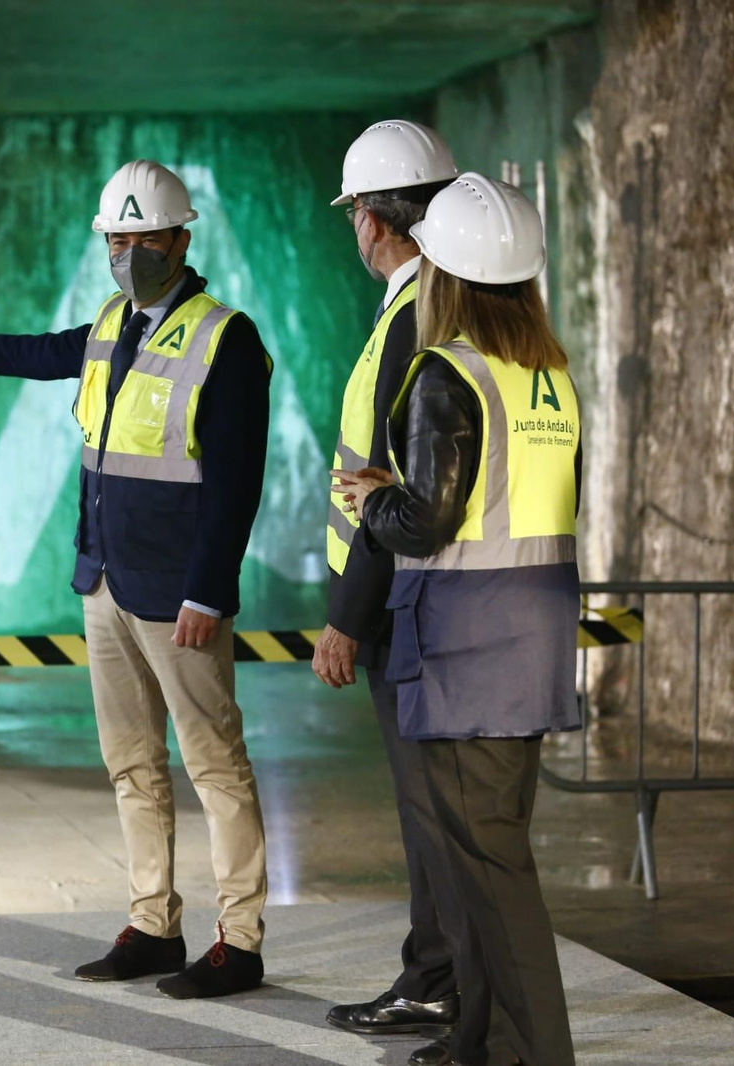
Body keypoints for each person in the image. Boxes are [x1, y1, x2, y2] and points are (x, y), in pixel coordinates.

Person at [0, 160, 273, 999]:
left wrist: (209, 591)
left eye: (142, 238)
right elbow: (54, 354)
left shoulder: (223, 337)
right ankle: (154, 925)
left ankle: (240, 939)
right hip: (107, 583)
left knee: (215, 766)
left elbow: (236, 481)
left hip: (177, 596)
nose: (127, 254)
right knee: (133, 766)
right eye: (115, 240)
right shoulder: (109, 324)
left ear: (181, 238)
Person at [335, 172, 582, 1066]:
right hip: (535, 644)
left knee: (492, 871)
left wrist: (373, 500)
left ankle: (531, 1054)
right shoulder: (545, 377)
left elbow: (429, 519)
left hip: (469, 647)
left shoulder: (448, 374)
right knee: (487, 862)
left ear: (444, 270)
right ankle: (482, 1041)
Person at [315, 120, 464, 1043]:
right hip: (427, 602)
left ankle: (436, 982)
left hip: (405, 607)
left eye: (355, 216)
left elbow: (387, 486)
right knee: (433, 814)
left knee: (429, 813)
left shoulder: (413, 317)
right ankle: (437, 976)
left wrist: (343, 619)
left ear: (373, 219)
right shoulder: (445, 305)